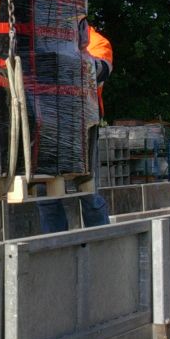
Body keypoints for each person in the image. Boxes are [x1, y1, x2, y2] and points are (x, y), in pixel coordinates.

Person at [37, 18, 113, 232]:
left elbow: (101, 70)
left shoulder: (97, 41)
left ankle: (100, 239)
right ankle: (55, 243)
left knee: (87, 189)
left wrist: (66, 61)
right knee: (45, 191)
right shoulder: (46, 39)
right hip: (49, 122)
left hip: (83, 124)